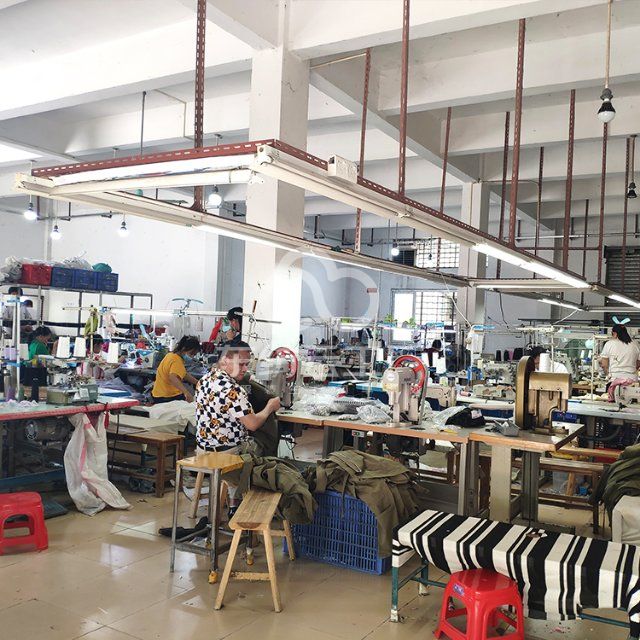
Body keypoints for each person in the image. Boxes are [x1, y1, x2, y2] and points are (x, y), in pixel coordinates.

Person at [195, 341, 280, 510]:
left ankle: (234, 499)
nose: (245, 369)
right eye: (241, 364)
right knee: (267, 444)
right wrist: (270, 407)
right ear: (225, 360)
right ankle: (241, 501)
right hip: (227, 454)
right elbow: (253, 424)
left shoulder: (204, 380)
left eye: (247, 364)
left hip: (202, 450)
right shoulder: (233, 390)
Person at [151, 335, 200, 403]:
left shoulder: (170, 355)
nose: (192, 357)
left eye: (194, 355)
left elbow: (183, 373)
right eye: (191, 354)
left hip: (158, 393)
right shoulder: (176, 360)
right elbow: (173, 377)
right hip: (166, 396)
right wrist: (186, 393)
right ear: (183, 349)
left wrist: (198, 383)